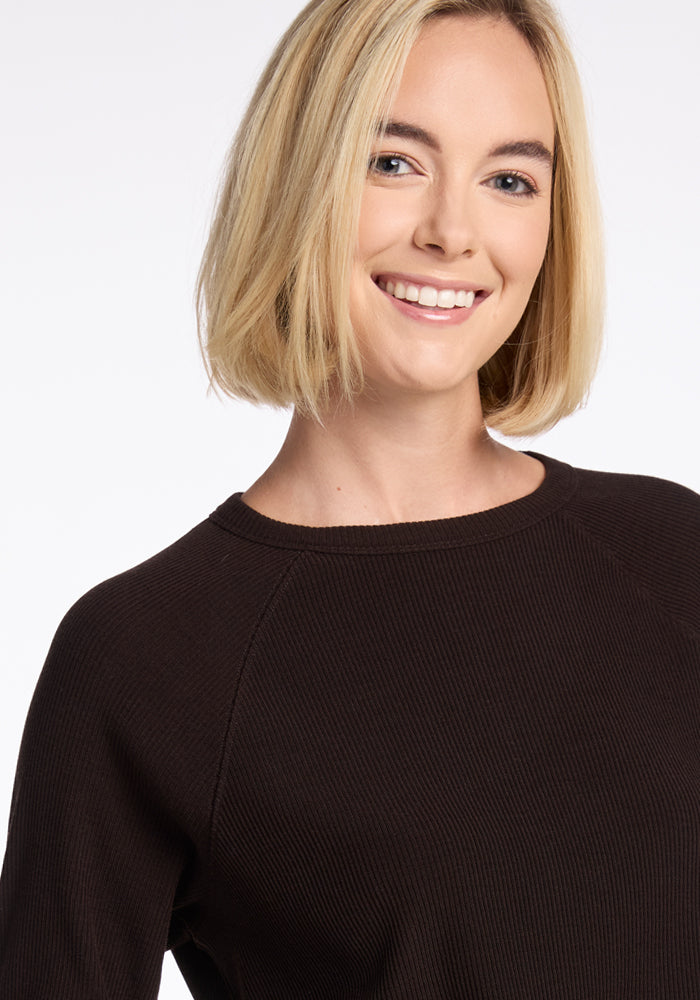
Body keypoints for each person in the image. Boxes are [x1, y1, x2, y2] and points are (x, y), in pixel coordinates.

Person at [1, 0, 698, 996]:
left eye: (508, 180)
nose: (452, 232)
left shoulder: (670, 553)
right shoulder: (145, 657)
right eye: (393, 163)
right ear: (300, 183)